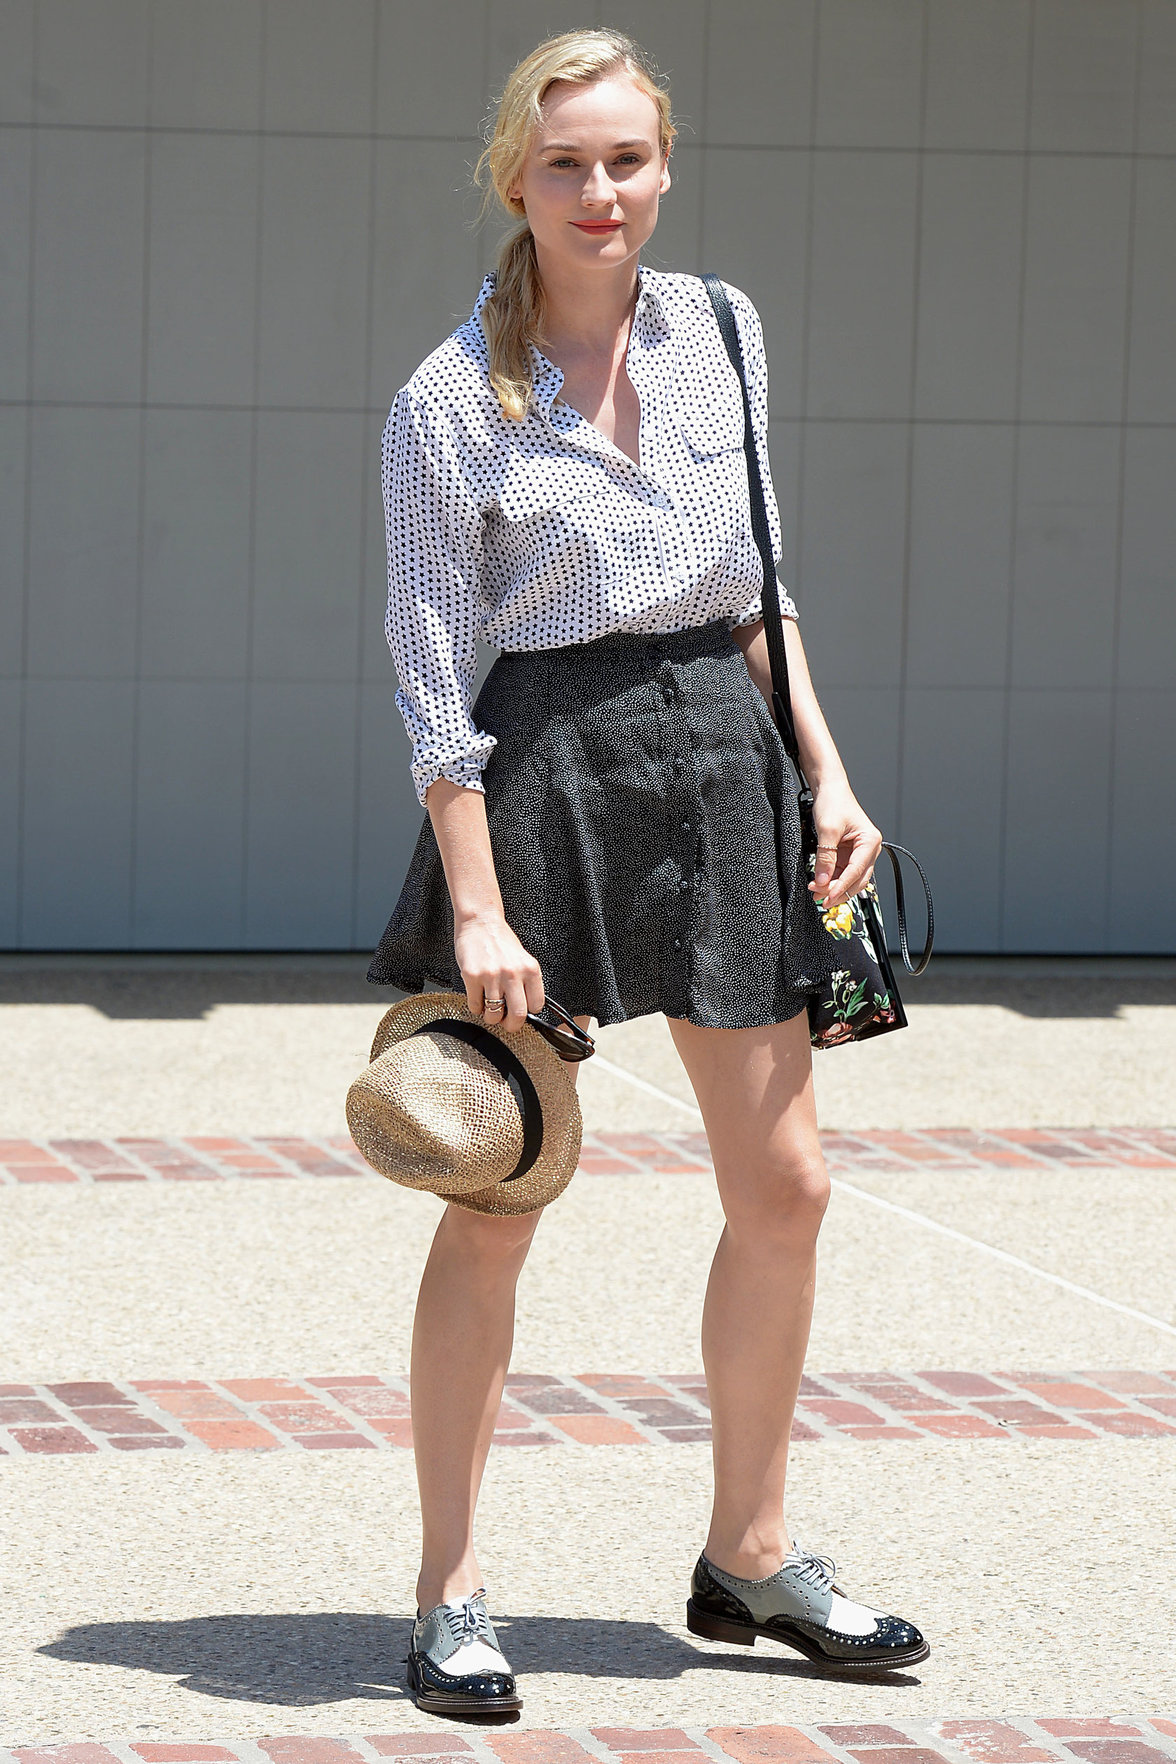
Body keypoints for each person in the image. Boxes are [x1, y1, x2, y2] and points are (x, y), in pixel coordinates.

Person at [367, 27, 929, 1719]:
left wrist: (827, 771)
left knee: (789, 1188)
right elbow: (425, 663)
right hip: (541, 769)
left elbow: (764, 586)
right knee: (496, 1192)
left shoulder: (726, 332)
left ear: (664, 163)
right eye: (566, 165)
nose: (600, 193)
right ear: (513, 182)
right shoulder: (447, 397)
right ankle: (450, 1589)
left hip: (721, 754)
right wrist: (475, 899)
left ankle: (747, 1551)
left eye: (626, 159)